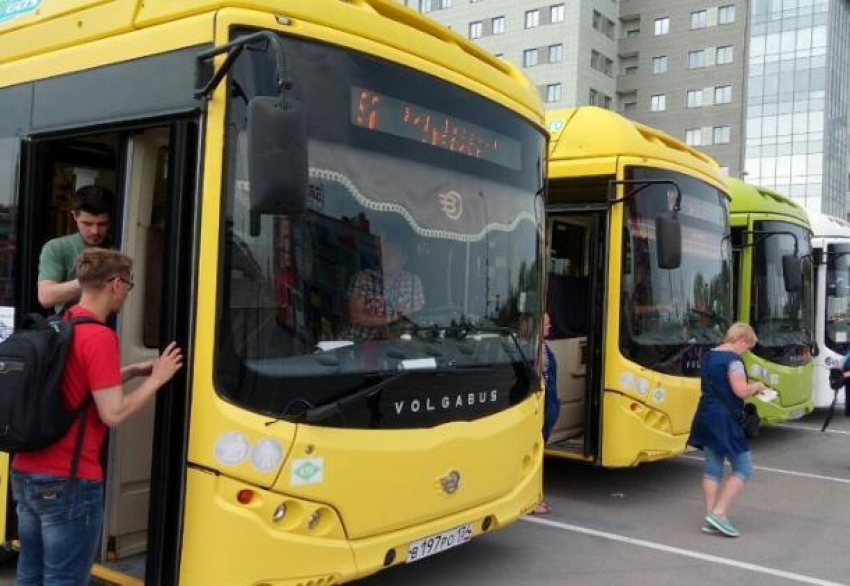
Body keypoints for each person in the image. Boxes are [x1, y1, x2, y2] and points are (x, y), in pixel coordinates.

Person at [11, 248, 183, 585]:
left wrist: (132, 371)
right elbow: (114, 413)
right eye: (129, 285)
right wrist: (158, 379)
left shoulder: (59, 325)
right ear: (116, 284)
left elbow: (74, 386)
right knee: (66, 579)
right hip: (69, 481)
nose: (126, 293)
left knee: (30, 574)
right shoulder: (101, 337)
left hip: (26, 473)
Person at [688, 322, 766, 537]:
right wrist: (756, 387)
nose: (746, 352)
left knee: (713, 467)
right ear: (740, 339)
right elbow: (740, 390)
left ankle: (709, 517)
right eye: (747, 346)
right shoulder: (734, 361)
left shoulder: (709, 355)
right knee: (744, 467)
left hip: (706, 414)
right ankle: (719, 514)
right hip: (726, 419)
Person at [38, 185, 113, 313]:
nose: (95, 231)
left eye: (102, 224)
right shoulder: (57, 248)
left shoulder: (120, 245)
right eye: (87, 224)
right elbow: (46, 296)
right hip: (73, 327)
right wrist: (92, 280)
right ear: (74, 216)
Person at [345, 235, 424, 341]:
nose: (385, 259)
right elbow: (356, 317)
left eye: (391, 256)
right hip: (360, 342)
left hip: (400, 345)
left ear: (403, 259)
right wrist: (393, 318)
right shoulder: (363, 279)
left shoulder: (413, 282)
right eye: (383, 255)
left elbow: (417, 318)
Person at [532, 312, 560, 515]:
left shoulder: (543, 347)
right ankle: (534, 499)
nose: (550, 327)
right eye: (546, 324)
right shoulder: (532, 350)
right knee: (535, 456)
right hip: (540, 408)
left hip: (549, 405)